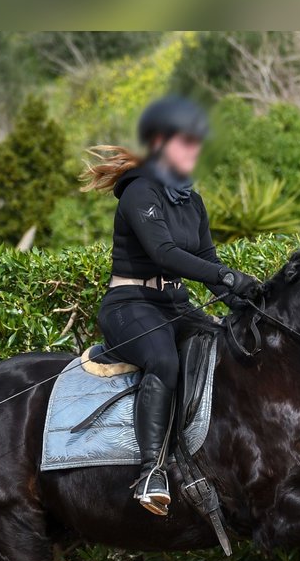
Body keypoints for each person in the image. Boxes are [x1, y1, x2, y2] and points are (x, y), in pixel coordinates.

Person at [80, 95, 263, 516]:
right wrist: (224, 277)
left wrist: (245, 295)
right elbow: (162, 252)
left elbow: (209, 261)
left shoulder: (190, 200)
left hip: (174, 305)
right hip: (131, 305)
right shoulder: (140, 191)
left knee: (227, 349)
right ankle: (150, 472)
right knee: (163, 360)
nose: (194, 149)